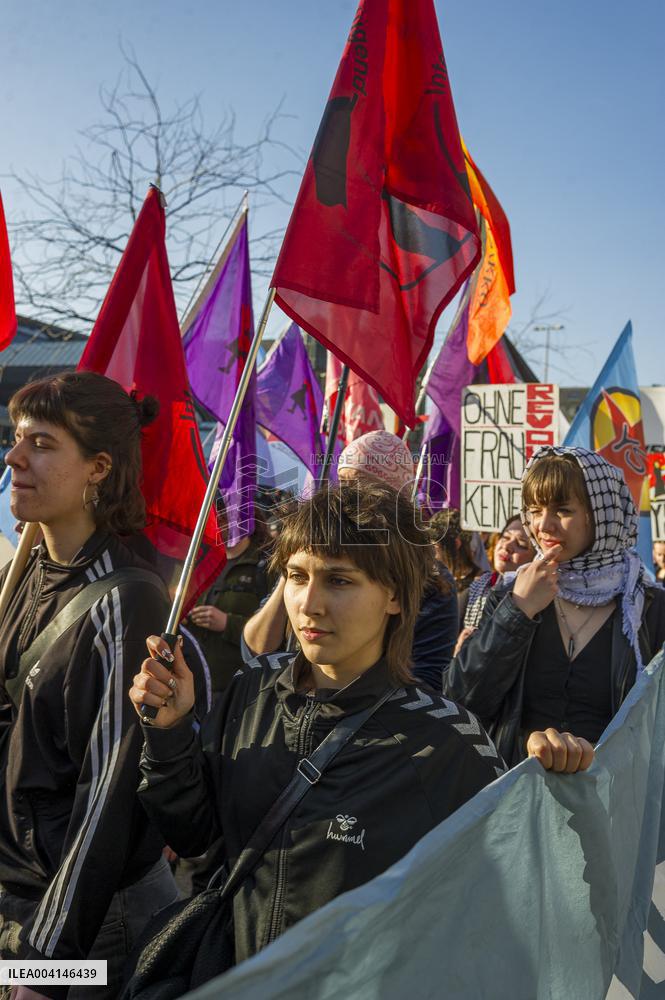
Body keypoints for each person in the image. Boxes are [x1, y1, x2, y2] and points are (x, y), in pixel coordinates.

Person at [129, 481, 591, 983]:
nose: (309, 603)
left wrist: (563, 787)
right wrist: (170, 732)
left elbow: (517, 901)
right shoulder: (252, 691)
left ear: (393, 595)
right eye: (297, 576)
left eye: (339, 581)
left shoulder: (444, 742)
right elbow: (194, 834)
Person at [0, 372, 179, 998]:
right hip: (23, 902)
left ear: (98, 467)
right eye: (19, 438)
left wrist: (46, 972)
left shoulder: (128, 601)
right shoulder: (32, 568)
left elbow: (108, 798)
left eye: (42, 444)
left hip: (89, 921)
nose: (15, 457)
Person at [443, 446, 665, 768]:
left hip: (614, 807)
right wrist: (517, 611)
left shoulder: (647, 608)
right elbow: (460, 701)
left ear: (600, 515)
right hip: (517, 798)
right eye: (534, 509)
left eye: (562, 510)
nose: (542, 525)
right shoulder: (509, 592)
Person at [243, 431, 459, 691]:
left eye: (339, 581)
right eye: (342, 483)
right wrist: (295, 570)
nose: (310, 605)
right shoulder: (308, 556)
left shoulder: (432, 579)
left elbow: (426, 679)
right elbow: (257, 649)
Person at [184, 510, 272, 697]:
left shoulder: (266, 566)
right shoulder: (199, 559)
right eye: (217, 516)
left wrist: (227, 623)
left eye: (226, 516)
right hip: (194, 684)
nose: (220, 522)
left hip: (238, 690)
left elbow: (276, 636)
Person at [455, 514, 535, 651]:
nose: (508, 546)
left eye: (521, 544)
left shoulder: (535, 604)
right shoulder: (472, 592)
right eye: (505, 537)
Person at [428, 508, 483, 621]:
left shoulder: (479, 584)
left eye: (435, 548)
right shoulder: (431, 577)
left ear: (456, 544)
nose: (431, 554)